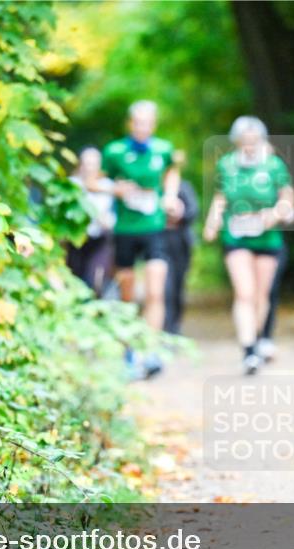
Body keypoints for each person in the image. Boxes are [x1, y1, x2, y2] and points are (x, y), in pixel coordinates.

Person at [204, 116, 294, 375]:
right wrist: (212, 222)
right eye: (244, 141)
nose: (249, 146)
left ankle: (257, 342)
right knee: (244, 293)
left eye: (253, 141)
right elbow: (220, 197)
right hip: (236, 237)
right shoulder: (227, 165)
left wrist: (274, 215)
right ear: (236, 142)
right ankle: (247, 350)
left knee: (260, 296)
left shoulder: (273, 166)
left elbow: (288, 201)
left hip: (267, 238)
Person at [102, 100, 182, 377]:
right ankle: (129, 352)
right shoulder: (114, 152)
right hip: (125, 230)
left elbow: (172, 171)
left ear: (153, 125)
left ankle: (151, 350)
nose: (142, 128)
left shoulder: (163, 149)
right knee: (128, 296)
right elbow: (94, 181)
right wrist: (115, 189)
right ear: (130, 124)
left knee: (155, 290)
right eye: (137, 123)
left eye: (147, 123)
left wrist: (170, 195)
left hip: (154, 228)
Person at [68, 147, 116, 297]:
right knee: (75, 279)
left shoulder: (108, 186)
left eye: (93, 164)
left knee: (96, 279)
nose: (90, 167)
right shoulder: (71, 185)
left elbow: (113, 214)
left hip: (100, 239)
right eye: (87, 163)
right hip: (76, 240)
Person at [162, 150, 199, 335]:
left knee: (177, 285)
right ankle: (165, 326)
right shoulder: (155, 188)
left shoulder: (184, 187)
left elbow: (193, 212)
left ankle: (175, 326)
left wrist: (180, 214)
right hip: (160, 241)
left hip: (180, 242)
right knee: (164, 286)